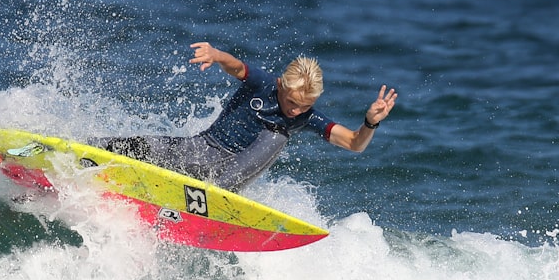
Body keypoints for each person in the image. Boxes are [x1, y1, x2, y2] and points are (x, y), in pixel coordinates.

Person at [102, 41, 398, 193]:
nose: (296, 111)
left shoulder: (303, 118)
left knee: (277, 133)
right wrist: (216, 55)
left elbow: (354, 143)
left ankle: (216, 195)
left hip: (229, 175)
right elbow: (237, 67)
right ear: (281, 86)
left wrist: (371, 122)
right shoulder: (265, 83)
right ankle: (87, 152)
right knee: (144, 147)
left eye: (305, 106)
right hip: (203, 150)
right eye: (293, 102)